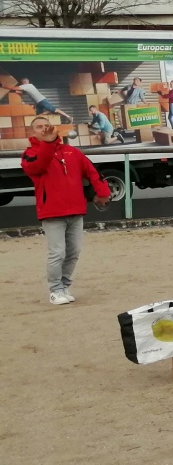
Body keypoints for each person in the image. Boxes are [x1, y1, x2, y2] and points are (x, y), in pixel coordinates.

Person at [21, 116, 110, 305]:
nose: (44, 129)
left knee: (74, 252)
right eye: (39, 127)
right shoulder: (30, 154)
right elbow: (38, 166)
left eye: (47, 126)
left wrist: (103, 192)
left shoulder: (71, 152)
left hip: (76, 210)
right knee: (57, 253)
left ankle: (64, 286)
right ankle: (55, 290)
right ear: (32, 132)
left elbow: (91, 171)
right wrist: (48, 144)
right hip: (52, 212)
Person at [5, 78, 73, 123]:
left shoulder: (27, 86)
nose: (21, 84)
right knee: (38, 115)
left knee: (54, 110)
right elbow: (18, 91)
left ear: (25, 82)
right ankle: (48, 113)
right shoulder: (29, 86)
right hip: (38, 102)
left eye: (22, 83)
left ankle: (68, 117)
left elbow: (12, 88)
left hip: (41, 101)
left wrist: (2, 85)